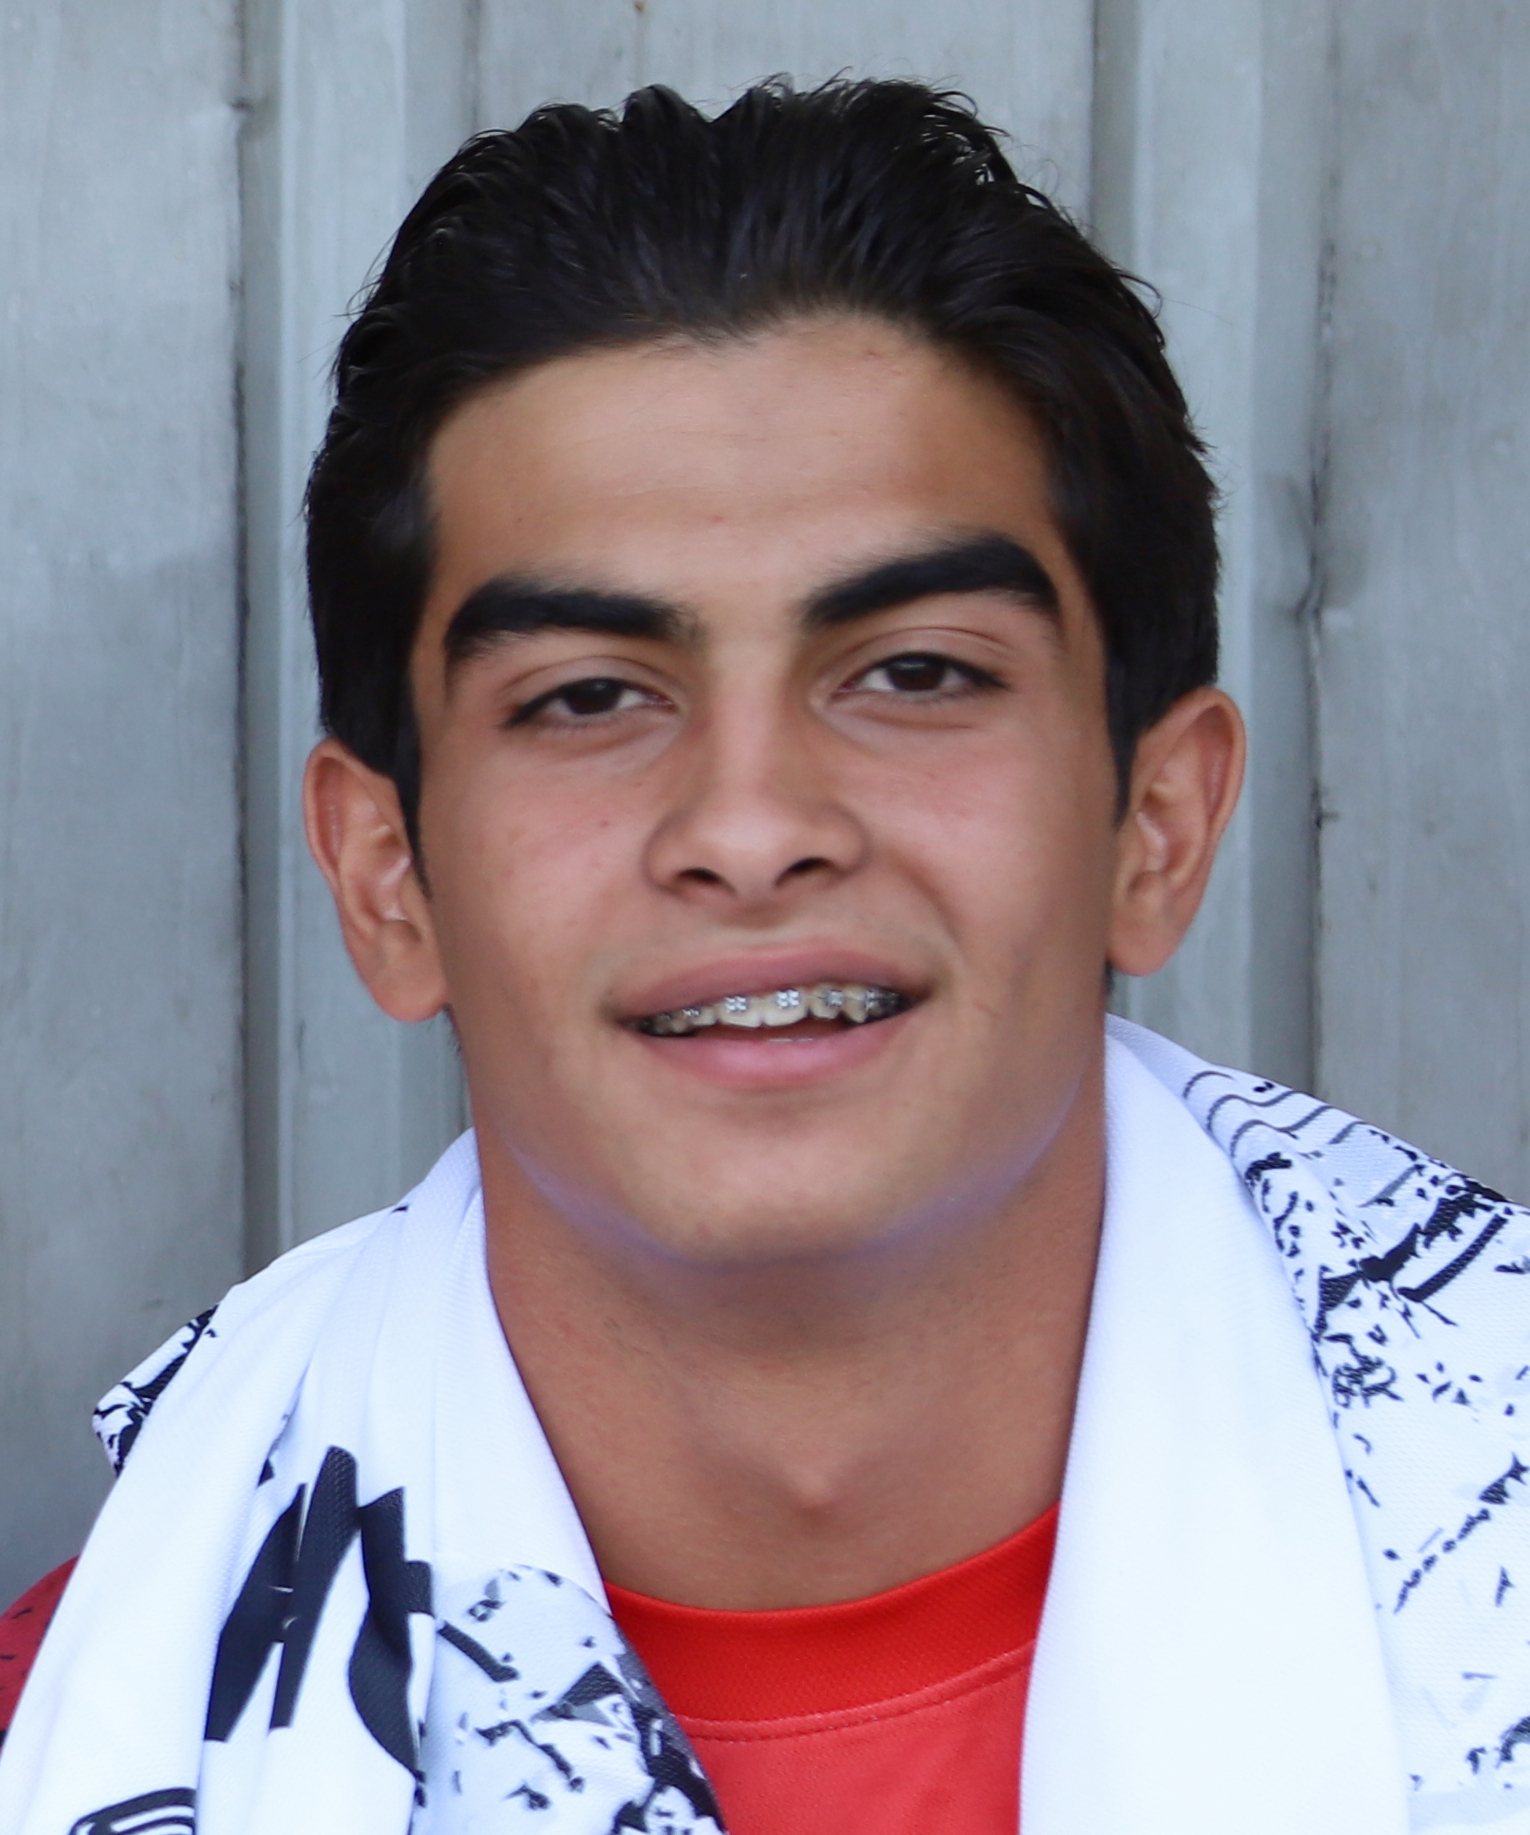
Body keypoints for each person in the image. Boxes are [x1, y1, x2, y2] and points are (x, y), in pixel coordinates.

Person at [2, 77, 1527, 1835]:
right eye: (587, 696)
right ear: (386, 878)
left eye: (915, 674)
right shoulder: (90, 1734)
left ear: (1155, 827)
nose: (748, 823)